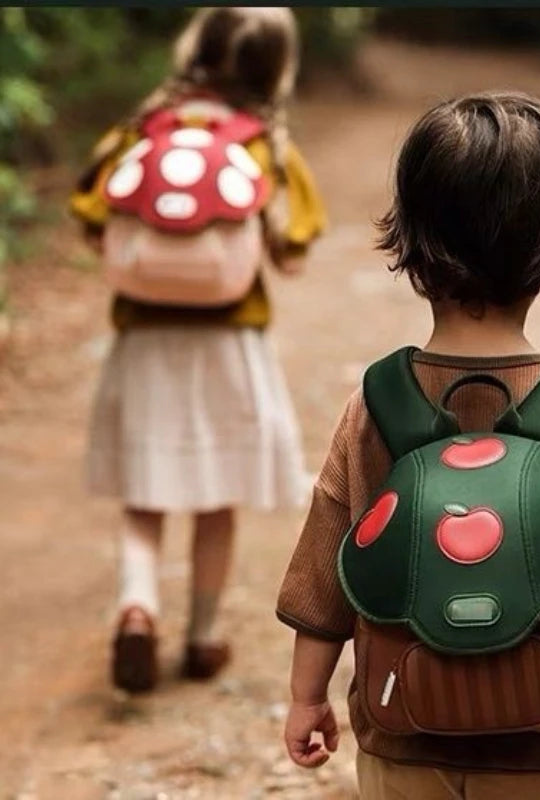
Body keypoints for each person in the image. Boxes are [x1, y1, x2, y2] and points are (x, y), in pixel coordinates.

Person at [276, 92, 540, 798]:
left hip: (405, 730)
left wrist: (307, 696)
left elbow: (327, 569)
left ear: (411, 244)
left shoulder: (376, 405)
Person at [70, 7, 326, 693]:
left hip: (144, 341)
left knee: (144, 494)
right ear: (276, 68)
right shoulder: (265, 147)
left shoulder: (141, 131)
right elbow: (294, 253)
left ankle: (137, 607)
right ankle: (204, 637)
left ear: (195, 52)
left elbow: (93, 220)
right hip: (228, 341)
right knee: (216, 498)